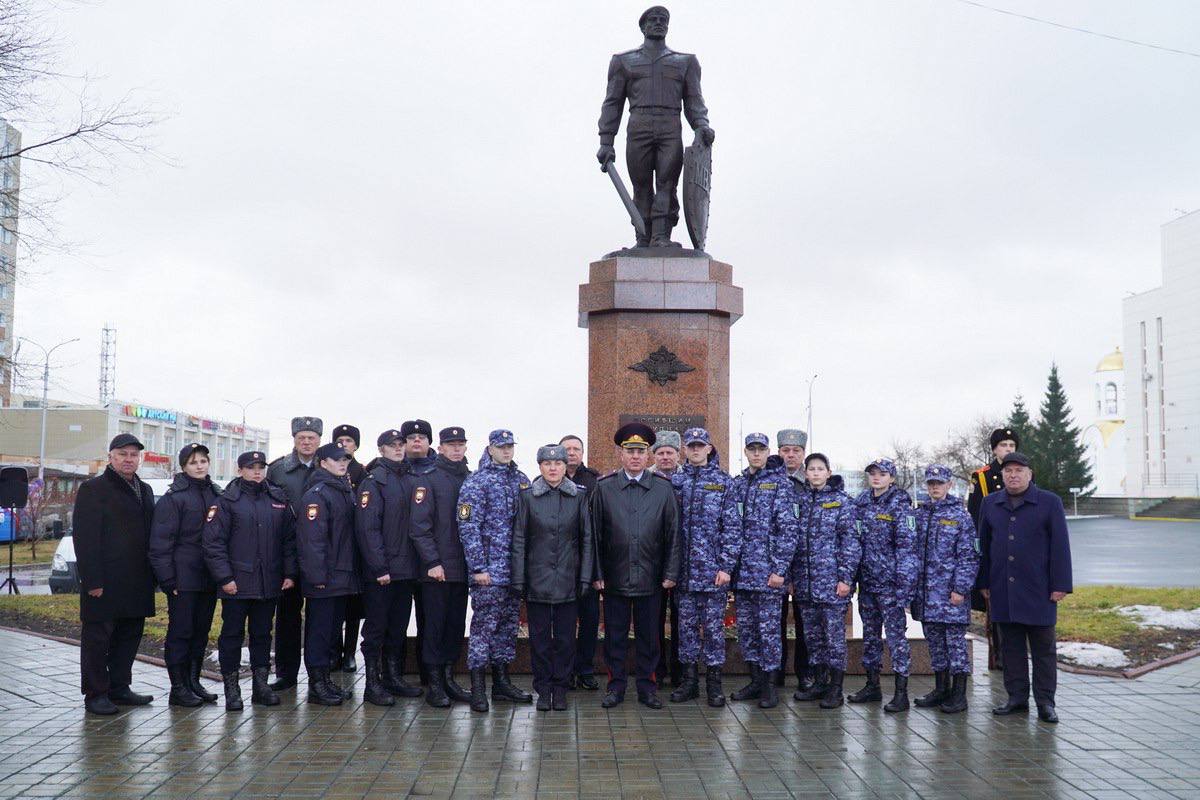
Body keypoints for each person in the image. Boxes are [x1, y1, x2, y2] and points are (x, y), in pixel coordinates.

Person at [596, 5, 715, 247]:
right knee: (640, 184)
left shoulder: (685, 62)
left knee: (667, 182)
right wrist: (606, 141)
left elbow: (694, 100)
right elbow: (612, 103)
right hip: (638, 125)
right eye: (653, 19)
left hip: (670, 125)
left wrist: (701, 124)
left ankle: (661, 236)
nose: (659, 23)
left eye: (663, 20)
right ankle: (643, 237)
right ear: (643, 26)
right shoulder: (623, 61)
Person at [591, 423, 681, 709]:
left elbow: (673, 534)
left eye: (641, 452)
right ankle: (615, 686)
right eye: (630, 451)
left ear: (648, 455)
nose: (635, 457)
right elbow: (594, 535)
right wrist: (597, 573)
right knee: (614, 637)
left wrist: (670, 573)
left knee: (649, 638)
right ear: (621, 454)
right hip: (615, 577)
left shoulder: (663, 489)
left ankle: (647, 687)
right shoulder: (604, 488)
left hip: (651, 577)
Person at [978, 452, 1072, 723]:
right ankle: (1017, 698)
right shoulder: (990, 503)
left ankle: (1045, 702)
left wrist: (1060, 585)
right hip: (1003, 589)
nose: (1013, 475)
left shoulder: (1049, 503)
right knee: (1011, 648)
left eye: (1019, 470)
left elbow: (1060, 547)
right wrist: (983, 582)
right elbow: (983, 546)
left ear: (1030, 474)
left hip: (1040, 589)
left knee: (1044, 650)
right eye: (1008, 471)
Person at [203, 450, 298, 711]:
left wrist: (289, 573)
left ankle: (260, 687)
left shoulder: (277, 498)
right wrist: (224, 577)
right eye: (250, 467)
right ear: (240, 470)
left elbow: (289, 539)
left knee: (262, 635)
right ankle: (232, 689)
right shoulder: (227, 501)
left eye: (260, 466)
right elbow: (213, 544)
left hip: (269, 582)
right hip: (237, 584)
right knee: (232, 636)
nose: (257, 471)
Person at [73, 433, 158, 715]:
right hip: (105, 581)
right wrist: (92, 580)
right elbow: (85, 539)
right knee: (98, 640)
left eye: (134, 455)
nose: (128, 459)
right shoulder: (94, 489)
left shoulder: (144, 489)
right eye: (122, 454)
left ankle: (120, 687)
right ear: (110, 456)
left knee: (129, 636)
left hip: (137, 580)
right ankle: (96, 693)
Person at [511, 444, 595, 712]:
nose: (553, 468)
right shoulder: (527, 497)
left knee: (565, 639)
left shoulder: (579, 496)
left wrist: (585, 578)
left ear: (564, 467)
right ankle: (543, 689)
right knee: (539, 640)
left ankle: (561, 688)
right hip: (537, 579)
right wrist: (519, 579)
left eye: (558, 464)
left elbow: (587, 540)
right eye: (547, 464)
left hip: (568, 580)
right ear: (540, 467)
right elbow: (519, 540)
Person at [457, 429, 534, 707]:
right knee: (483, 630)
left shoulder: (521, 480)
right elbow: (468, 527)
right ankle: (478, 686)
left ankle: (502, 683)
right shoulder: (476, 483)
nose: (506, 451)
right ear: (490, 448)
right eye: (501, 447)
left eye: (510, 446)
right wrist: (478, 567)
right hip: (488, 573)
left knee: (507, 628)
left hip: (514, 572)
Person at [726, 433, 799, 709]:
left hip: (769, 575)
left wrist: (780, 569)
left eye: (761, 449)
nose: (756, 454)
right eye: (752, 449)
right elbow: (731, 528)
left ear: (768, 452)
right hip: (743, 575)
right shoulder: (739, 483)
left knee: (769, 632)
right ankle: (755, 680)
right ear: (745, 451)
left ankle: (770, 685)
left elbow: (788, 530)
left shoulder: (780, 484)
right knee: (747, 631)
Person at [668, 427, 737, 707]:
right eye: (691, 445)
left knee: (713, 630)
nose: (695, 450)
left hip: (712, 574)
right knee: (685, 630)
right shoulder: (676, 481)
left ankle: (714, 684)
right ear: (685, 449)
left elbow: (732, 528)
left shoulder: (724, 482)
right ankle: (689, 683)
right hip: (683, 574)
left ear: (709, 448)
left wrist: (726, 566)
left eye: (700, 445)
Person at [355, 428, 424, 706]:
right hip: (381, 572)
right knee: (376, 628)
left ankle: (392, 677)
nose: (398, 448)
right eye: (391, 445)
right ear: (381, 449)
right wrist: (379, 567)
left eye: (400, 444)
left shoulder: (411, 479)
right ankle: (372, 683)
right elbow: (367, 529)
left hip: (407, 569)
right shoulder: (374, 482)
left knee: (397, 626)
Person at [148, 442, 221, 707]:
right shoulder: (174, 498)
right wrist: (168, 580)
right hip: (183, 577)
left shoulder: (216, 493)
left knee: (201, 631)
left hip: (209, 577)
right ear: (184, 467)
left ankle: (193, 681)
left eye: (203, 461)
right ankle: (178, 688)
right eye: (193, 462)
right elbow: (160, 543)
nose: (199, 466)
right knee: (181, 632)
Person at [789, 453, 860, 709]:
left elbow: (850, 543)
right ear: (805, 473)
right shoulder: (799, 500)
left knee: (833, 638)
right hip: (805, 584)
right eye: (812, 469)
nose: (816, 473)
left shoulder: (842, 502)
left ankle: (835, 688)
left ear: (829, 473)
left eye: (821, 469)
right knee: (813, 638)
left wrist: (845, 579)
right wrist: (792, 578)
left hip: (832, 584)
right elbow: (792, 543)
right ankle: (819, 682)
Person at [850, 458, 917, 712]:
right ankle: (872, 685)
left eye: (882, 474)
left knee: (896, 638)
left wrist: (904, 585)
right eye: (873, 474)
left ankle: (901, 692)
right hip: (867, 582)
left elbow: (907, 548)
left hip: (890, 584)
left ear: (892, 478)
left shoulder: (900, 505)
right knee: (870, 635)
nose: (876, 478)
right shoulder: (862, 503)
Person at [296, 443, 361, 706]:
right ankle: (315, 685)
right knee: (319, 632)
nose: (343, 463)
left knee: (332, 631)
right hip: (325, 578)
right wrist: (317, 577)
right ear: (323, 463)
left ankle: (325, 680)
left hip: (342, 575)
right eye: (337, 460)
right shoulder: (318, 494)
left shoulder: (343, 490)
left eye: (345, 459)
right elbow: (312, 541)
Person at [912, 464, 979, 714]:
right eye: (931, 483)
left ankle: (959, 695)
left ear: (949, 485)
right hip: (927, 595)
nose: (935, 487)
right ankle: (941, 689)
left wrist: (960, 588)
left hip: (951, 595)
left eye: (939, 483)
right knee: (935, 644)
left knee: (955, 645)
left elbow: (969, 556)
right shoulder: (919, 515)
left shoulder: (960, 516)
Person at [266, 415, 322, 690]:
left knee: (320, 617)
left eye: (312, 437)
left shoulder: (329, 467)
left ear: (319, 440)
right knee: (288, 617)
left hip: (321, 556)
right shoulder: (277, 471)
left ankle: (319, 674)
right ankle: (286, 673)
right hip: (288, 553)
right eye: (302, 437)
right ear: (294, 440)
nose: (307, 442)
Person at [423, 426, 472, 708]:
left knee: (454, 625)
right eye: (450, 444)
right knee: (435, 626)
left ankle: (449, 677)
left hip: (463, 567)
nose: (456, 449)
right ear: (439, 448)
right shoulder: (429, 479)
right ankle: (435, 684)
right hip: (438, 570)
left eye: (460, 444)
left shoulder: (469, 478)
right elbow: (420, 527)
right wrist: (432, 561)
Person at [969, 427, 1020, 671]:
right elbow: (975, 514)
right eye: (1003, 445)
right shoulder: (982, 477)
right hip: (994, 547)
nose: (1008, 449)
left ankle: (1016, 653)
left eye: (1011, 445)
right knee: (996, 607)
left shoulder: (1024, 473)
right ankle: (998, 656)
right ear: (994, 449)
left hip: (1019, 548)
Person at [560, 434, 602, 691]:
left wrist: (597, 569)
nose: (572, 453)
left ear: (583, 453)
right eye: (568, 449)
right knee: (562, 625)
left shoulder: (595, 481)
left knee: (588, 621)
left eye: (577, 449)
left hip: (587, 564)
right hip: (559, 565)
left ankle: (585, 670)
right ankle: (564, 672)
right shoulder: (547, 480)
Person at [775, 428, 810, 691]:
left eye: (795, 451)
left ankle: (804, 673)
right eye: (785, 450)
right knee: (773, 620)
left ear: (803, 453)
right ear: (778, 453)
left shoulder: (811, 482)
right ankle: (774, 673)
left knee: (803, 621)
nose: (790, 455)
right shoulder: (771, 481)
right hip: (774, 563)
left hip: (804, 564)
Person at [330, 423, 365, 674]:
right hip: (333, 547)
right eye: (340, 441)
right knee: (333, 607)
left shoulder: (363, 472)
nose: (345, 445)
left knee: (353, 607)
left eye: (349, 441)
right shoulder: (328, 470)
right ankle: (333, 651)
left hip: (356, 547)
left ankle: (350, 652)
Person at [651, 429, 682, 688]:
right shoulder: (647, 478)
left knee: (682, 619)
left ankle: (680, 671)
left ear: (678, 454)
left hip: (686, 560)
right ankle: (657, 669)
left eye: (669, 452)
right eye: (660, 453)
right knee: (655, 619)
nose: (665, 457)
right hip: (654, 560)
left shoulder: (689, 477)